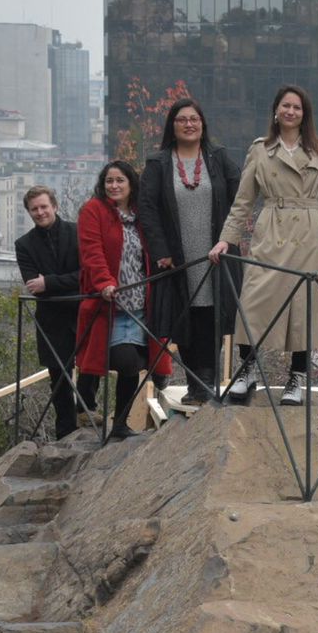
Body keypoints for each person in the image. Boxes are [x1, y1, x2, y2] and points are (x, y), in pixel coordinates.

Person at [210, 85, 318, 407]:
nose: (291, 112)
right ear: (276, 110)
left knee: (304, 308)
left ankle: (296, 378)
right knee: (253, 301)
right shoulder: (260, 149)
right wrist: (227, 238)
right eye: (286, 106)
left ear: (305, 114)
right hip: (271, 230)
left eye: (297, 107)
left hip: (310, 235)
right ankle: (247, 369)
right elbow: (243, 201)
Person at [138, 97, 243, 404]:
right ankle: (196, 382)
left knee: (213, 315)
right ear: (172, 126)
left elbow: (241, 198)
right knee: (185, 317)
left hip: (216, 252)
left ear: (202, 124)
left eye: (194, 119)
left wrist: (230, 237)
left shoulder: (218, 157)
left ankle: (207, 381)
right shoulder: (158, 163)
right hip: (177, 257)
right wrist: (160, 250)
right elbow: (147, 210)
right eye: (182, 119)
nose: (188, 124)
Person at [76, 160, 174, 440]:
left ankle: (120, 424)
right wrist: (105, 282)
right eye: (109, 180)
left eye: (120, 180)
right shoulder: (93, 211)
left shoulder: (141, 215)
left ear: (131, 184)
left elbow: (154, 246)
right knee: (127, 361)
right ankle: (97, 410)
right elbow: (92, 252)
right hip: (112, 306)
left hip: (142, 303)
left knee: (144, 359)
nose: (114, 185)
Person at [15, 186, 90, 437]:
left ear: (54, 206)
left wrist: (48, 282)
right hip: (51, 321)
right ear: (29, 212)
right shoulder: (24, 244)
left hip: (82, 312)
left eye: (43, 206)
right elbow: (33, 286)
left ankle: (87, 412)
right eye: (34, 209)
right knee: (58, 378)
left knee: (91, 366)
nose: (40, 212)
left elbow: (87, 275)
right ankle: (65, 432)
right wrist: (63, 283)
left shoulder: (78, 232)